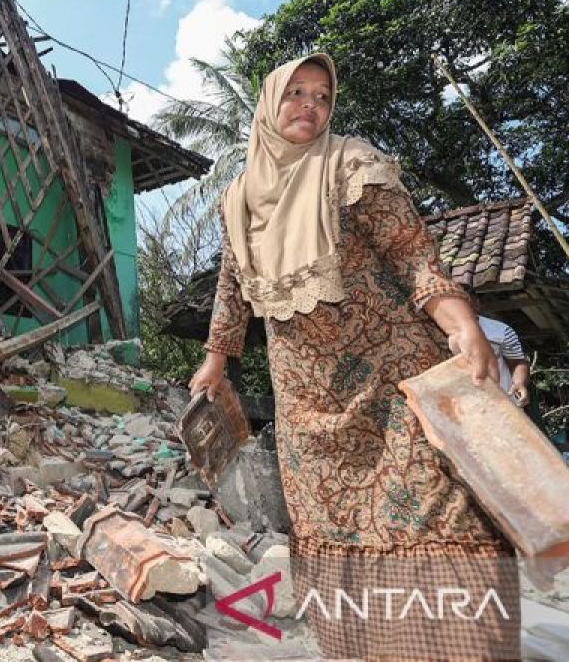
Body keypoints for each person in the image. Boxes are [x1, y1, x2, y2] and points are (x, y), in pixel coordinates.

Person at [189, 53, 518, 659]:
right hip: (305, 399)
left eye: (320, 95)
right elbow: (232, 289)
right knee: (330, 521)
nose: (309, 105)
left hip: (393, 378)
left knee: (439, 508)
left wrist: (459, 321)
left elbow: (412, 252)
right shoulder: (238, 197)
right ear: (268, 105)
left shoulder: (350, 164)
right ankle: (373, 647)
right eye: (296, 93)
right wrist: (215, 358)